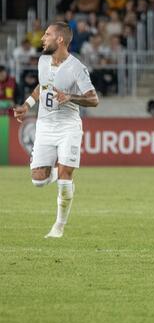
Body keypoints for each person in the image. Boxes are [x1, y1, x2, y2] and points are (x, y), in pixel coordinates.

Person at [13, 22, 99, 239]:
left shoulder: (76, 67)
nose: (42, 38)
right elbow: (41, 87)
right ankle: (57, 173)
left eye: (47, 34)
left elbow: (93, 99)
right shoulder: (42, 61)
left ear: (60, 39)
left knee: (64, 179)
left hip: (68, 126)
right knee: (38, 180)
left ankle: (58, 226)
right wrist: (26, 105)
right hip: (44, 126)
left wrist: (71, 97)